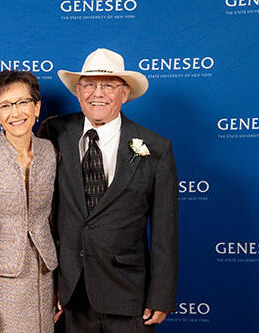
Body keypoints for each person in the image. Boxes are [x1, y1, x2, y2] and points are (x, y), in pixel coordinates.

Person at [39, 48, 178, 332]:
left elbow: (165, 230)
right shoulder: (54, 133)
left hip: (128, 294)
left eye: (108, 86)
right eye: (89, 85)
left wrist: (161, 295)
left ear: (124, 93)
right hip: (70, 293)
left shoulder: (156, 149)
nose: (97, 93)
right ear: (78, 91)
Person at [0, 70, 59, 333]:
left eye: (22, 103)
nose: (15, 113)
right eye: (5, 106)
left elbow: (57, 220)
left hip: (44, 275)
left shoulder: (51, 152)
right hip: (0, 284)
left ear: (36, 106)